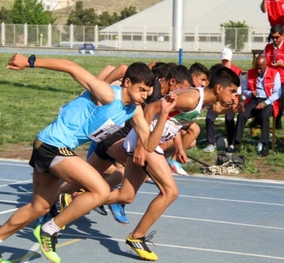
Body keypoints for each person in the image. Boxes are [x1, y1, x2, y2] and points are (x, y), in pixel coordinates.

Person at [0, 53, 178, 263]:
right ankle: (50, 229)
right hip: (53, 144)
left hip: (52, 147)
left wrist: (163, 114)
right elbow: (71, 66)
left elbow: (149, 145)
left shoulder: (134, 111)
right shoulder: (108, 94)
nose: (145, 95)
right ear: (128, 82)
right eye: (142, 90)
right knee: (100, 190)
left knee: (40, 207)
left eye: (148, 92)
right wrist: (30, 61)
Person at [103, 67, 242, 261]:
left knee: (125, 196)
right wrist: (142, 146)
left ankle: (79, 199)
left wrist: (233, 108)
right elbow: (151, 109)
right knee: (170, 192)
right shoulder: (192, 98)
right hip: (147, 141)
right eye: (232, 91)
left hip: (150, 142)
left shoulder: (204, 99)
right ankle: (136, 237)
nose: (235, 95)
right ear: (219, 88)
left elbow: (217, 109)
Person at [59, 63, 194, 225]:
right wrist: (99, 93)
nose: (181, 94)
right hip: (117, 138)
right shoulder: (152, 89)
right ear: (172, 82)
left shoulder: (166, 100)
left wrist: (179, 146)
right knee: (134, 171)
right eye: (181, 89)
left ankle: (53, 200)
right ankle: (105, 198)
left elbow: (175, 125)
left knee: (75, 183)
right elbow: (123, 69)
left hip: (113, 136)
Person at [232, 54, 281, 157]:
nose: (258, 71)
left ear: (266, 65)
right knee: (242, 115)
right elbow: (244, 90)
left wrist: (265, 103)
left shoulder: (275, 74)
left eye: (260, 69)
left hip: (268, 100)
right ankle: (236, 143)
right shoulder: (250, 73)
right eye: (256, 68)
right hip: (254, 99)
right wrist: (250, 93)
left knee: (264, 116)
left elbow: (277, 93)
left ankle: (265, 145)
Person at [203, 48, 243, 152]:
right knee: (209, 118)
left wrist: (232, 95)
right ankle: (211, 143)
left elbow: (240, 89)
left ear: (231, 60)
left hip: (231, 100)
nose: (225, 63)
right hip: (217, 101)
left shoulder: (237, 71)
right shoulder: (217, 71)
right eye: (223, 60)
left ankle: (231, 143)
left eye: (227, 61)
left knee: (229, 119)